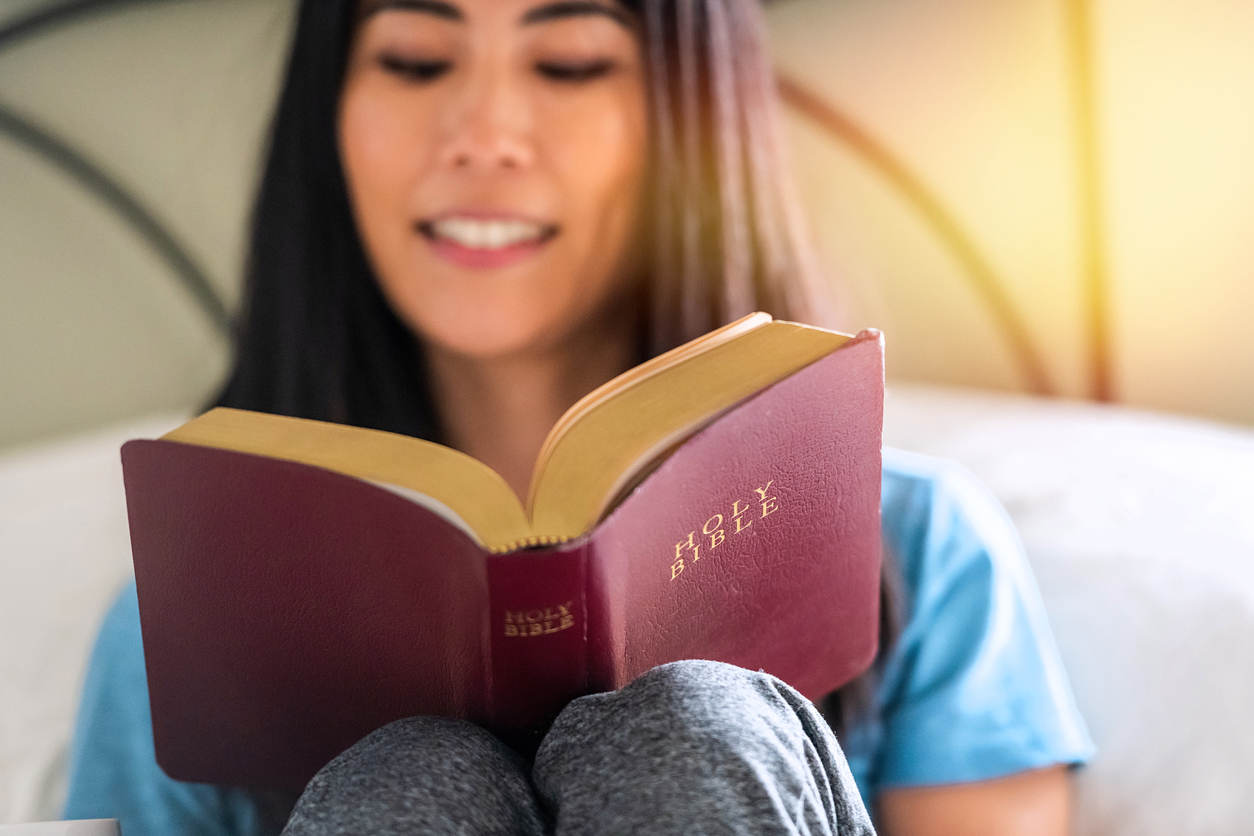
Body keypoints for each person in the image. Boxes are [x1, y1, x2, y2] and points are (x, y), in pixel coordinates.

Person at [63, 0, 1094, 833]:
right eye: (417, 58)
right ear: (326, 122)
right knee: (407, 780)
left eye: (569, 63)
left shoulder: (915, 548)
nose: (483, 137)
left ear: (689, 124)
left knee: (693, 726)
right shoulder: (181, 624)